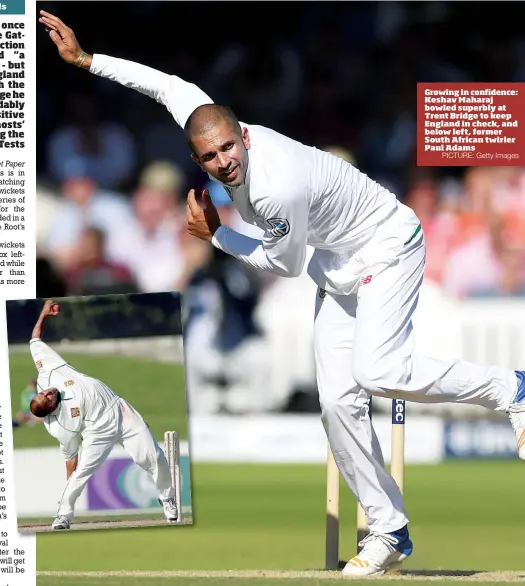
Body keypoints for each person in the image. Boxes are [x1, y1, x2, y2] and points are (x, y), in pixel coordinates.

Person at [40, 11, 525, 574]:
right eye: (210, 157)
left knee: (379, 372)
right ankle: (389, 531)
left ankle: (510, 389)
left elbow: (285, 264)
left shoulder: (276, 187)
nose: (224, 163)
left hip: (387, 243)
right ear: (195, 154)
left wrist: (217, 234)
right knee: (337, 404)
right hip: (337, 263)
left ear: (243, 134)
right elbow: (161, 84)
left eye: (228, 149)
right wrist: (87, 60)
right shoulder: (203, 119)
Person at [28, 298, 179, 530]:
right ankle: (63, 515)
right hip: (97, 431)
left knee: (153, 456)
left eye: (43, 393)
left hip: (120, 409)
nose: (47, 392)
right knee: (80, 475)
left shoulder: (47, 374)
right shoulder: (60, 425)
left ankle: (167, 498)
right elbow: (71, 459)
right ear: (50, 409)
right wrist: (71, 481)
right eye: (46, 398)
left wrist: (43, 314)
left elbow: (34, 340)